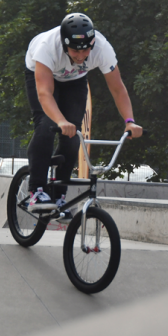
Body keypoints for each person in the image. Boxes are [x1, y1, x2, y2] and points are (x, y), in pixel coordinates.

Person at [24, 13, 143, 215]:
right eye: (74, 51)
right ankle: (36, 190)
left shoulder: (102, 49)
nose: (80, 56)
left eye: (86, 50)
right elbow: (44, 93)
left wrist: (130, 121)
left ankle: (59, 197)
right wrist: (60, 120)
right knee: (46, 126)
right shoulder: (46, 47)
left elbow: (118, 89)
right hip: (43, 75)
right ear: (64, 44)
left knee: (72, 137)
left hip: (75, 80)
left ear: (93, 43)